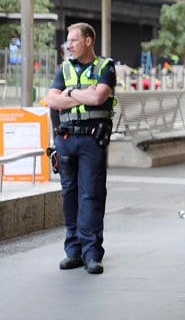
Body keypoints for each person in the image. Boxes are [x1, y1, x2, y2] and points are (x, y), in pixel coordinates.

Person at [45, 22, 117, 275]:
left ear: (88, 41)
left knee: (91, 195)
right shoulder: (64, 68)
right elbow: (51, 100)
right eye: (68, 40)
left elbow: (99, 98)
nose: (69, 45)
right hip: (65, 139)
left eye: (74, 40)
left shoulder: (105, 67)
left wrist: (71, 92)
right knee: (70, 195)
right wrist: (82, 94)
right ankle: (73, 251)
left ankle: (92, 254)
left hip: (91, 140)